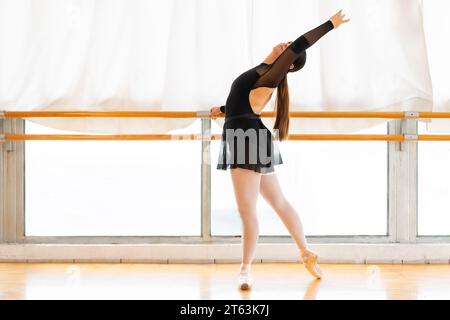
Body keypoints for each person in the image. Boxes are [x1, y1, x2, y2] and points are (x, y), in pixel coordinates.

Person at [210, 10, 350, 290]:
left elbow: (300, 44)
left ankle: (245, 270)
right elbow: (245, 103)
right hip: (250, 134)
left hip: (244, 139)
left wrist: (330, 25)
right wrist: (223, 110)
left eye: (287, 52)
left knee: (247, 211)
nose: (285, 46)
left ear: (288, 65)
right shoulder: (260, 74)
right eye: (285, 46)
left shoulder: (271, 74)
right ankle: (305, 252)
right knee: (278, 202)